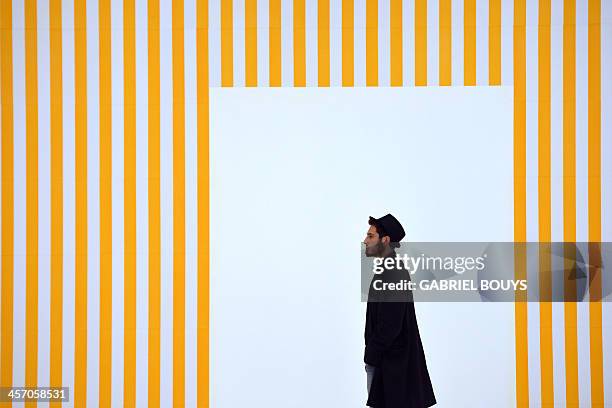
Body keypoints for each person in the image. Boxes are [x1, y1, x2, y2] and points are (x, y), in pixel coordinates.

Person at [363, 214, 437, 408]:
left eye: (370, 236)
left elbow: (391, 323)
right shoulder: (387, 269)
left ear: (385, 240)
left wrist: (371, 354)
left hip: (393, 367)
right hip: (388, 364)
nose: (365, 241)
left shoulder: (394, 272)